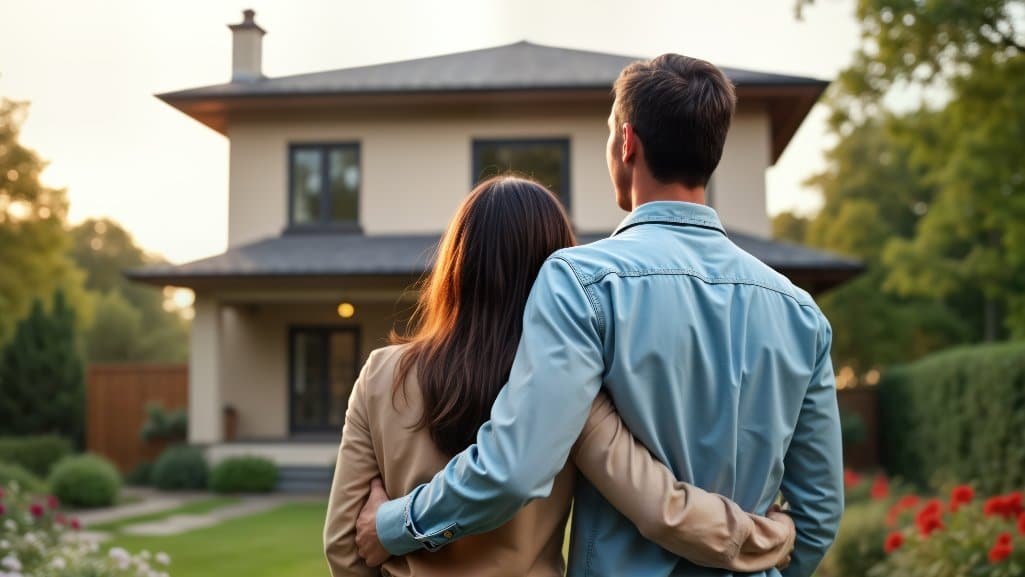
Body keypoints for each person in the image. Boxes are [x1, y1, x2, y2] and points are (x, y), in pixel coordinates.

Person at [356, 54, 844, 577]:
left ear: (626, 143)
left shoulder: (581, 282)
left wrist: (393, 524)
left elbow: (516, 471)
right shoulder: (801, 314)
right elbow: (817, 515)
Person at [324, 176, 796, 577]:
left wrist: (392, 533)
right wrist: (767, 535)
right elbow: (663, 509)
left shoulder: (380, 377)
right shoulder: (568, 391)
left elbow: (346, 547)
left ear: (455, 265)